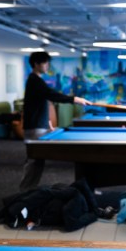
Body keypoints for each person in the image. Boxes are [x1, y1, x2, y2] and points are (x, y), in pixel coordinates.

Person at [20, 51, 91, 191]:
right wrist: (75, 99)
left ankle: (28, 190)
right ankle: (24, 192)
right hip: (34, 126)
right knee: (34, 161)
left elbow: (39, 103)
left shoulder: (36, 80)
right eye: (45, 63)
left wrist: (46, 122)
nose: (47, 66)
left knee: (37, 161)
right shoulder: (34, 80)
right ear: (36, 64)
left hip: (38, 125)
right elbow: (52, 95)